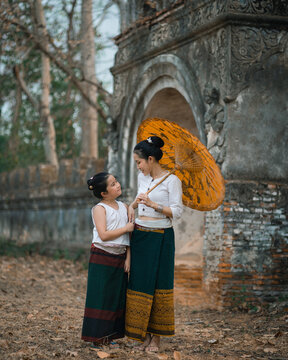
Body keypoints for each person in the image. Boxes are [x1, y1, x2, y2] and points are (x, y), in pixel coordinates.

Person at [125, 136, 183, 352]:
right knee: (140, 283)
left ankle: (157, 339)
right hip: (140, 235)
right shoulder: (144, 179)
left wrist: (155, 205)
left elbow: (177, 212)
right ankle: (144, 335)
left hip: (161, 237)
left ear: (150, 159)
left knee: (159, 284)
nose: (138, 167)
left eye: (139, 162)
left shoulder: (172, 181)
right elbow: (139, 201)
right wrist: (133, 205)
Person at [81, 172, 134, 347]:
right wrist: (126, 228)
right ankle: (97, 337)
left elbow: (128, 239)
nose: (117, 185)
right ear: (103, 193)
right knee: (100, 296)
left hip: (119, 258)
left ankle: (110, 335)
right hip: (102, 256)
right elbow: (103, 235)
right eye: (112, 184)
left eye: (116, 181)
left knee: (115, 296)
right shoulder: (99, 209)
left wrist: (128, 257)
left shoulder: (124, 206)